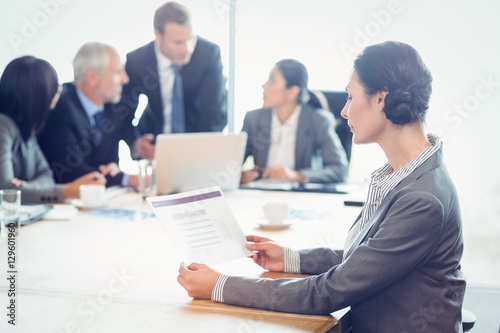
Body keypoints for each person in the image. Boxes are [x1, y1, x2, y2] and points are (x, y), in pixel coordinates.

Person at [177, 41, 466, 332]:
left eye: (350, 97)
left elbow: (329, 292)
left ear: (381, 99)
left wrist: (220, 286)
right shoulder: (403, 174)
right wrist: (290, 258)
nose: (343, 111)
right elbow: (366, 259)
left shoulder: (423, 199)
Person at [116, 1, 227, 160]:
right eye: (178, 42)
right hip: (156, 146)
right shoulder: (138, 61)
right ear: (158, 35)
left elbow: (213, 113)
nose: (187, 49)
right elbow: (122, 114)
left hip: (197, 143)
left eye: (190, 39)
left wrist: (202, 154)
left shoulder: (208, 54)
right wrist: (136, 144)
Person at [0, 56, 105, 204]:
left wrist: (29, 188)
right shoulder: (3, 126)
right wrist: (67, 191)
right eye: (54, 87)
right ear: (36, 94)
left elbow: (47, 175)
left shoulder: (28, 129)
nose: (59, 91)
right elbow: (7, 193)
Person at [37, 42, 139, 189]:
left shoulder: (111, 107)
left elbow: (108, 160)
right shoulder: (60, 108)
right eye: (118, 72)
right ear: (93, 78)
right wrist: (124, 179)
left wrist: (112, 167)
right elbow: (71, 171)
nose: (125, 79)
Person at [240, 59, 348, 184]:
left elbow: (339, 170)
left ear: (292, 92)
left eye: (272, 80)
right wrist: (240, 176)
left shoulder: (318, 120)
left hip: (299, 196)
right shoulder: (253, 118)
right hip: (260, 193)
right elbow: (231, 166)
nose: (264, 86)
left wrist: (297, 175)